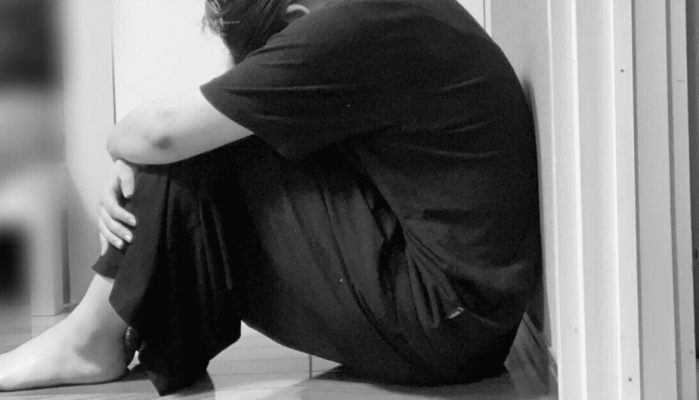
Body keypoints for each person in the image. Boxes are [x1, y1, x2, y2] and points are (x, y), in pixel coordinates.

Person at [0, 0, 541, 395]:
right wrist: (142, 154)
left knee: (188, 144)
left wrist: (125, 150)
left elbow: (161, 134)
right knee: (210, 134)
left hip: (444, 322)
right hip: (462, 317)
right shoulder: (388, 12)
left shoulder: (353, 25)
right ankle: (103, 332)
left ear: (297, 20)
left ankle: (90, 339)